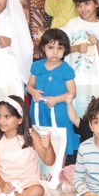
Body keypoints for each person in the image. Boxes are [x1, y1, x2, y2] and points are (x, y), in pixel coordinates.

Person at [0, 95, 55, 196]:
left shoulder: (30, 135)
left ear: (20, 119)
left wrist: (49, 148)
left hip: (27, 184)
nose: (1, 121)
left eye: (7, 117)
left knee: (37, 191)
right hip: (3, 184)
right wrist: (2, 184)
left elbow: (49, 161)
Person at [27, 28, 78, 160]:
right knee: (40, 138)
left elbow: (72, 92)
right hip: (40, 111)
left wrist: (56, 99)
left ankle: (60, 168)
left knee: (62, 139)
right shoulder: (36, 66)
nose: (55, 52)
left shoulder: (66, 69)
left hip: (60, 111)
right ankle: (43, 167)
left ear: (65, 50)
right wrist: (33, 92)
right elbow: (29, 86)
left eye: (59, 48)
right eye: (51, 47)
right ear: (43, 47)